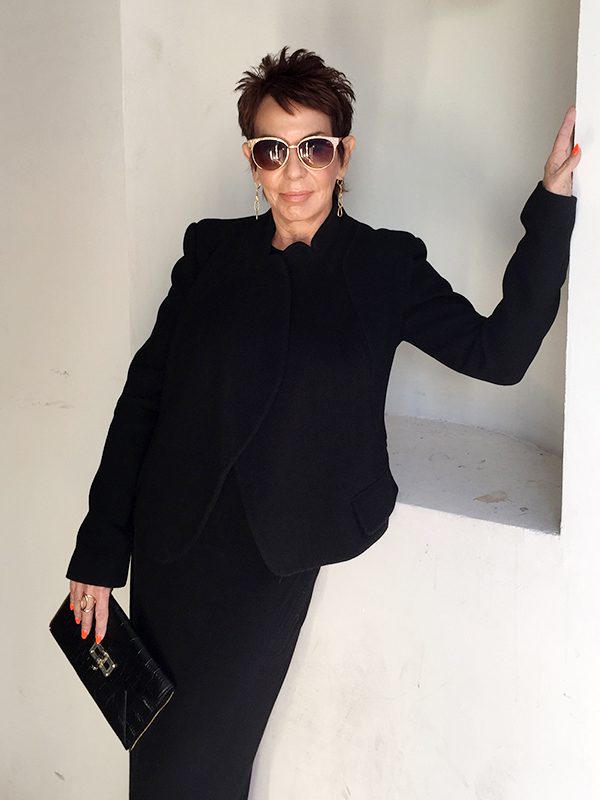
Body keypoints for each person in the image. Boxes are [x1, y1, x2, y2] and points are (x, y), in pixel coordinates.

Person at [66, 47, 579, 799]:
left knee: (204, 762)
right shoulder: (210, 252)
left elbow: (497, 353)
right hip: (173, 545)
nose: (295, 170)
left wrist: (552, 202)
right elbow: (144, 399)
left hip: (274, 551)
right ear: (252, 160)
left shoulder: (385, 266)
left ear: (344, 155)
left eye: (314, 147)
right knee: (159, 756)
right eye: (274, 150)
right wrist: (100, 547)